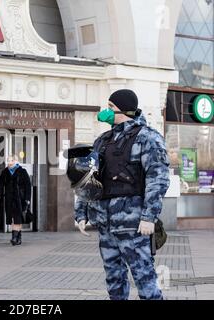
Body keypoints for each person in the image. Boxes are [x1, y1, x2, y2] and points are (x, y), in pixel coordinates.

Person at [74, 89, 170, 300]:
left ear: (123, 110)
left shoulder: (147, 137)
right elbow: (89, 179)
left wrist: (149, 217)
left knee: (145, 280)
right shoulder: (102, 141)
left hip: (133, 223)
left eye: (110, 107)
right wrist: (81, 213)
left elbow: (158, 180)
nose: (105, 111)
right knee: (114, 281)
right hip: (106, 224)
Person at [0, 155, 31, 245]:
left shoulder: (22, 171)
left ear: (16, 161)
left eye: (11, 160)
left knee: (17, 217)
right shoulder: (5, 172)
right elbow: (0, 183)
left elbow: (28, 185)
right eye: (8, 161)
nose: (9, 162)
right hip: (9, 198)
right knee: (12, 217)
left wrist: (27, 198)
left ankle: (14, 238)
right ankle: (18, 237)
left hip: (20, 199)